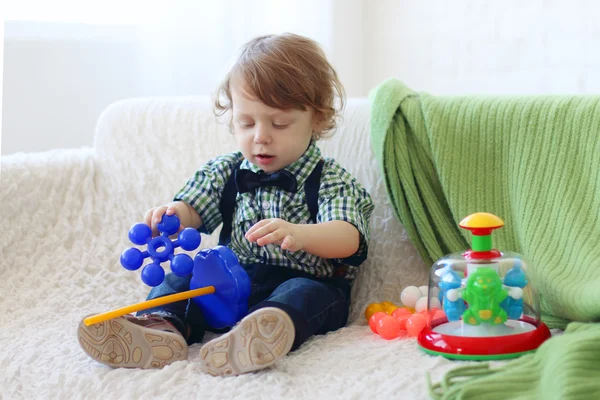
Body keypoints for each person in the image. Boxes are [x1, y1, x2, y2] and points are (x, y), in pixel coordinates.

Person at [78, 33, 375, 376]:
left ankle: (255, 336)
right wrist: (174, 215)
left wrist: (301, 234)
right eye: (246, 123)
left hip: (305, 278)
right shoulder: (225, 171)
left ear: (318, 119)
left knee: (304, 294)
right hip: (230, 279)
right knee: (181, 278)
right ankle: (159, 330)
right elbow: (194, 210)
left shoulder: (331, 180)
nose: (260, 136)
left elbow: (349, 236)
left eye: (279, 123)